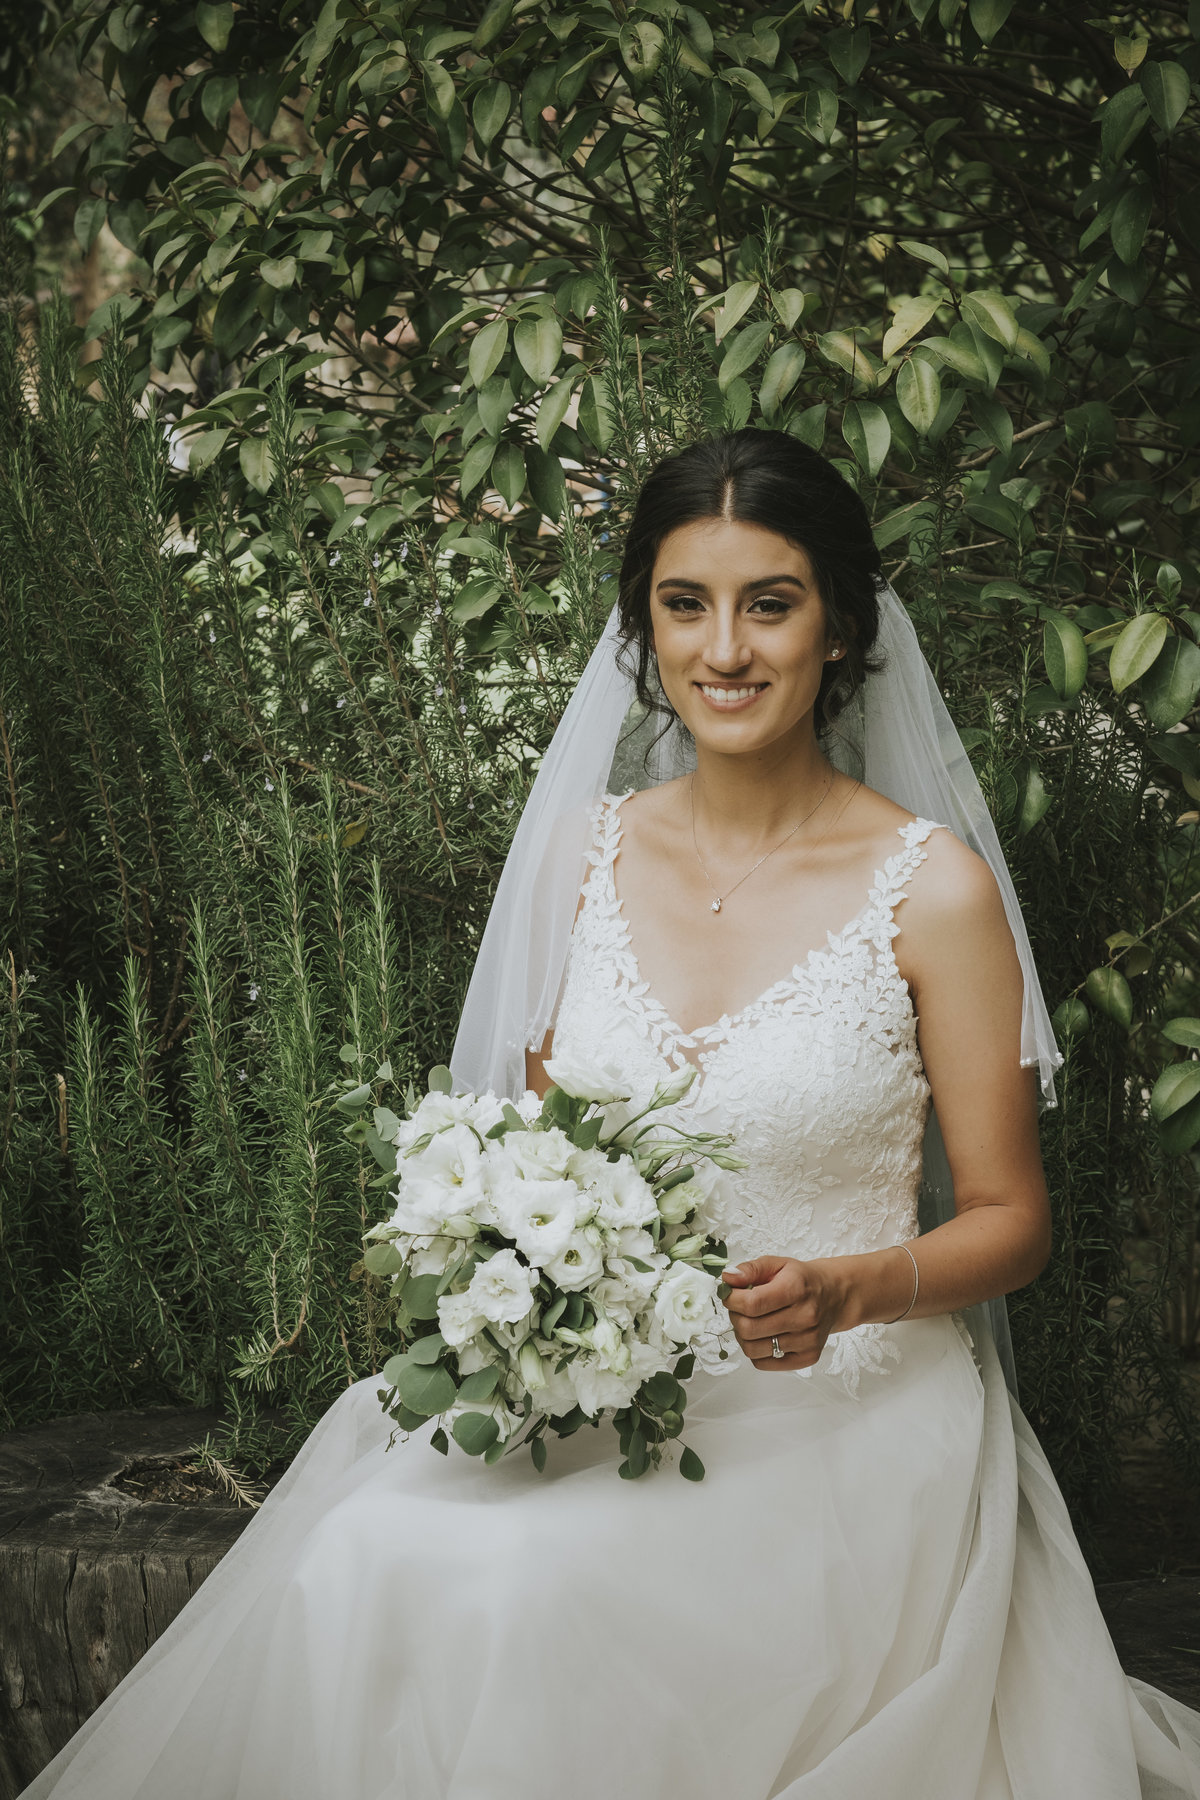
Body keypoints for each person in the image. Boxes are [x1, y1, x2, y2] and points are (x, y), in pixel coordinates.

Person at [20, 430, 1200, 1799]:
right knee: (365, 1558)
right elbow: (544, 1166)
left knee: (536, 1602)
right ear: (642, 625)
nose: (726, 649)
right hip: (605, 1387)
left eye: (772, 601)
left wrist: (849, 1288)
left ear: (843, 629)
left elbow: (1014, 1222)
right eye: (684, 604)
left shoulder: (930, 890)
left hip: (846, 1407)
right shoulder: (585, 859)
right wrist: (512, 1301)